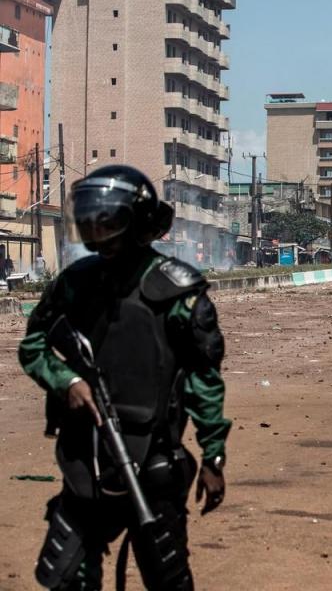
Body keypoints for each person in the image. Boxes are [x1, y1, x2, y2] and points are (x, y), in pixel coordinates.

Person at [20, 165, 229, 590]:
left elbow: (203, 381)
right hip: (87, 460)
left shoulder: (178, 291)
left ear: (135, 224)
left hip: (154, 463)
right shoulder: (75, 283)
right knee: (67, 579)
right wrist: (67, 381)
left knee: (166, 577)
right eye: (92, 222)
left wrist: (214, 457)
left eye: (108, 222)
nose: (99, 233)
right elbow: (34, 346)